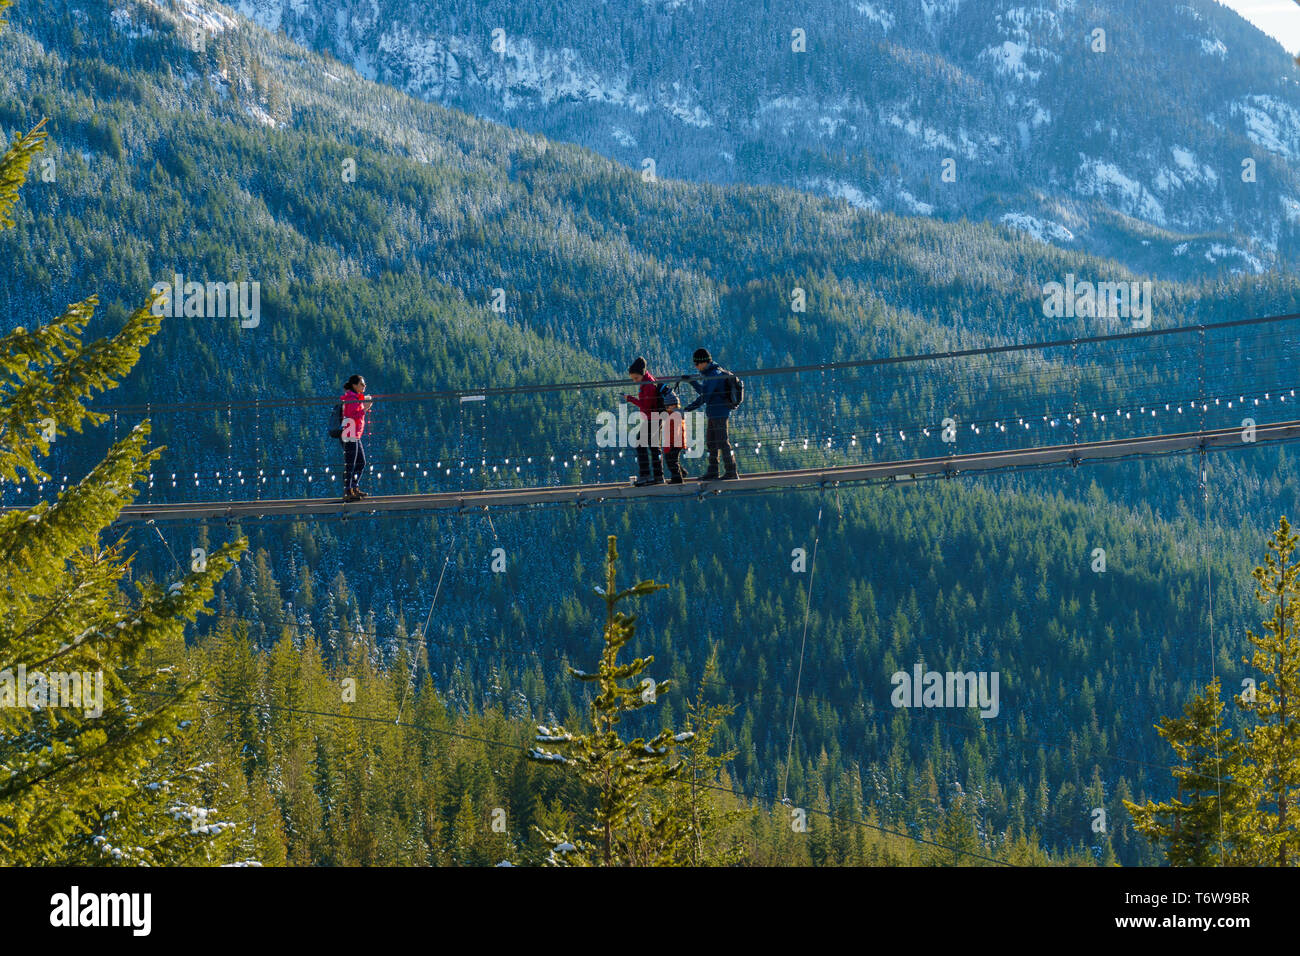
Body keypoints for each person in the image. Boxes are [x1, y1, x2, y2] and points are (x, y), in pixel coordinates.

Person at [683, 347, 738, 480]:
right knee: (712, 442)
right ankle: (714, 471)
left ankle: (731, 471)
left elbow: (705, 396)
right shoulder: (711, 374)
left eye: (697, 364)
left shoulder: (714, 375)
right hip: (715, 413)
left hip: (719, 412)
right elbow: (704, 392)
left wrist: (686, 410)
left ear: (703, 362)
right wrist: (692, 381)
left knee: (722, 442)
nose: (696, 367)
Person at [624, 356, 664, 486]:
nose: (635, 381)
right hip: (653, 418)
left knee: (641, 443)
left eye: (636, 378)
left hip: (652, 418)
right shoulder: (646, 382)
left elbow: (646, 405)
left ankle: (646, 475)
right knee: (652, 447)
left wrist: (630, 399)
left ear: (641, 374)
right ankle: (657, 476)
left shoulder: (648, 385)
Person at [340, 374, 373, 501]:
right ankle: (349, 490)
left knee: (359, 462)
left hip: (354, 434)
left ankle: (353, 488)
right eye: (361, 384)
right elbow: (352, 416)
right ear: (355, 385)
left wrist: (364, 405)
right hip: (350, 434)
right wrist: (364, 408)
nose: (364, 386)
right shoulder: (351, 399)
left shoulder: (355, 397)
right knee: (352, 464)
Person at [659, 387, 689, 484]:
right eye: (666, 407)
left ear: (675, 405)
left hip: (675, 443)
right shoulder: (676, 414)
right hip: (677, 443)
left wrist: (669, 445)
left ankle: (677, 479)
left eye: (668, 407)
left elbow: (672, 432)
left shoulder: (674, 416)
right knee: (672, 460)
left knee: (671, 461)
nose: (667, 409)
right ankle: (682, 473)